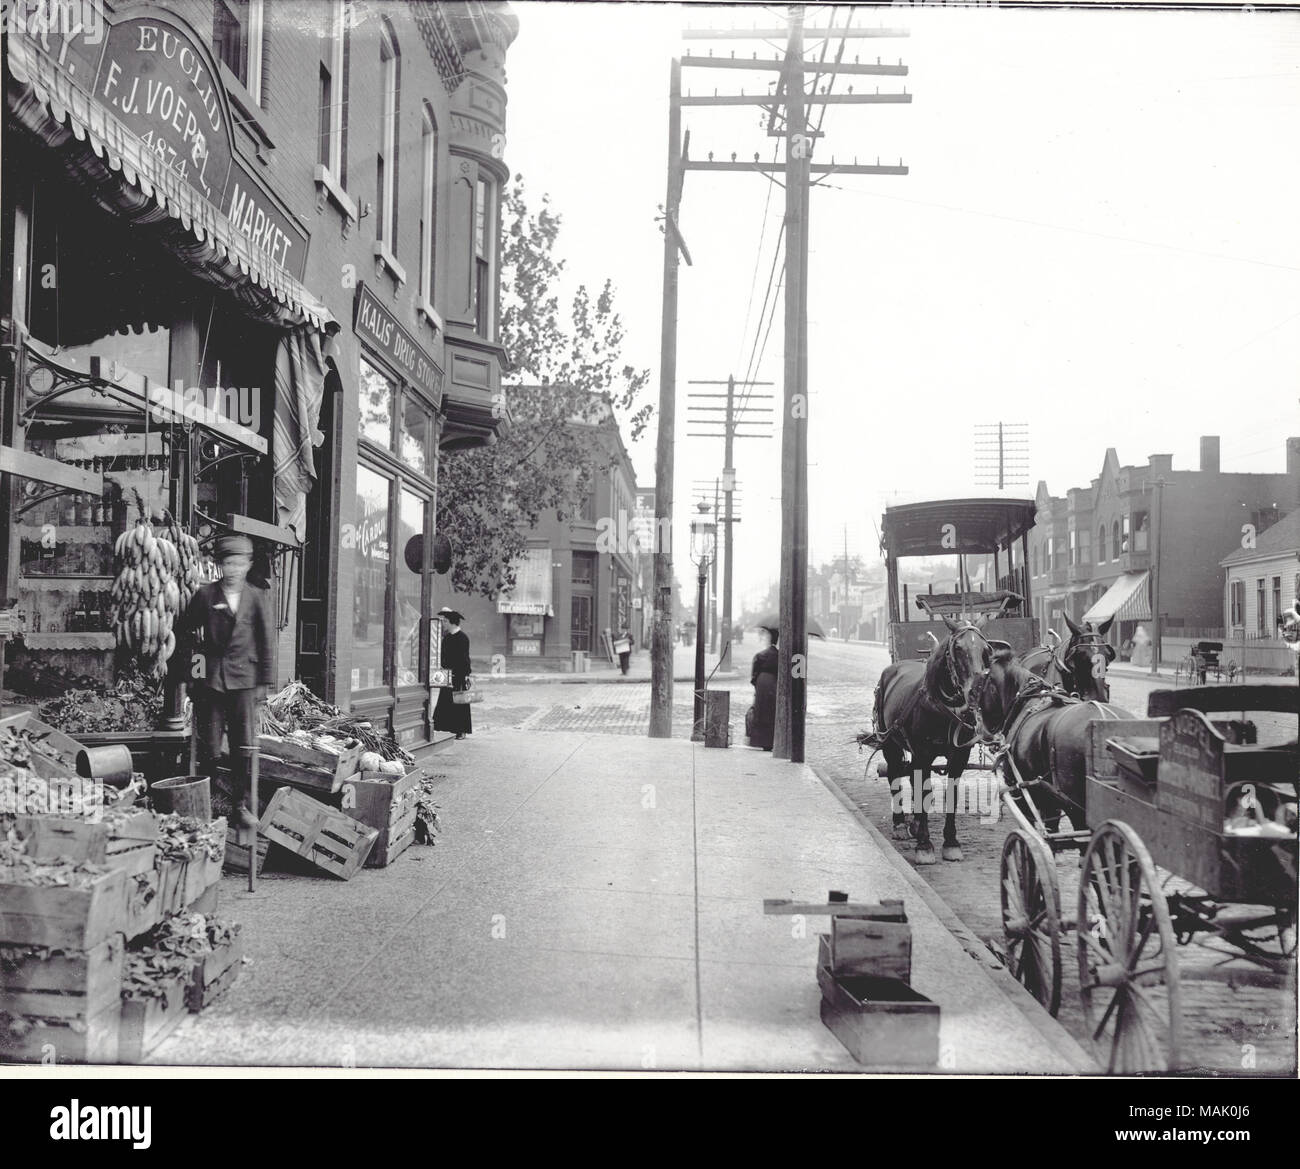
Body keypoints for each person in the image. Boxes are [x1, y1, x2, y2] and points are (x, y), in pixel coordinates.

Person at [181, 534, 275, 827]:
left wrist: (264, 684)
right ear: (219, 565)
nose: (233, 569)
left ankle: (239, 805)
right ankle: (206, 804)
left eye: (239, 563)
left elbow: (266, 642)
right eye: (228, 563)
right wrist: (194, 677)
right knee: (209, 747)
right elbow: (186, 634)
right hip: (211, 683)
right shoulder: (205, 595)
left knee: (243, 747)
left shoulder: (257, 597)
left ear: (248, 565)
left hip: (244, 684)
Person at [433, 607, 473, 739]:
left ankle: (461, 730)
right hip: (446, 673)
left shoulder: (462, 638)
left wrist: (466, 674)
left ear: (452, 622)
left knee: (459, 702)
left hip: (458, 675)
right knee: (446, 701)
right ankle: (447, 727)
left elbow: (464, 659)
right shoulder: (447, 637)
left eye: (445, 621)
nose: (443, 623)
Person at [747, 626, 778, 751]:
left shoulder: (760, 655)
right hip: (774, 684)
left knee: (761, 711)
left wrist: (757, 685)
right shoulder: (780, 656)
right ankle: (771, 741)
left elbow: (754, 675)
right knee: (772, 712)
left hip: (761, 684)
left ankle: (759, 740)